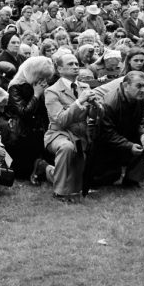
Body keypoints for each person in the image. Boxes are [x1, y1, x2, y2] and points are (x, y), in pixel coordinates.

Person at [43, 54, 101, 201]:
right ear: (60, 69)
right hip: (58, 134)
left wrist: (95, 105)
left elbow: (94, 116)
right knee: (66, 147)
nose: (76, 66)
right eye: (70, 64)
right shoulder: (52, 91)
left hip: (81, 135)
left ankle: (47, 171)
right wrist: (79, 102)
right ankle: (60, 192)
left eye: (76, 63)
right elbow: (61, 120)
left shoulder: (85, 87)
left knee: (78, 182)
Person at [89, 71, 144, 188]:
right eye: (139, 86)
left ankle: (132, 181)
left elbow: (143, 120)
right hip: (105, 144)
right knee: (105, 180)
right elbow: (106, 134)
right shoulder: (109, 103)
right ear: (125, 86)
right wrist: (129, 146)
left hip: (123, 136)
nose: (143, 90)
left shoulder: (140, 98)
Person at [5, 56, 53, 181]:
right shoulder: (15, 87)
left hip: (39, 129)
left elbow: (46, 110)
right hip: (22, 131)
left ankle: (42, 169)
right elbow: (23, 112)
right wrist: (36, 95)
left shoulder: (40, 85)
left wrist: (46, 94)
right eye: (41, 77)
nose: (43, 80)